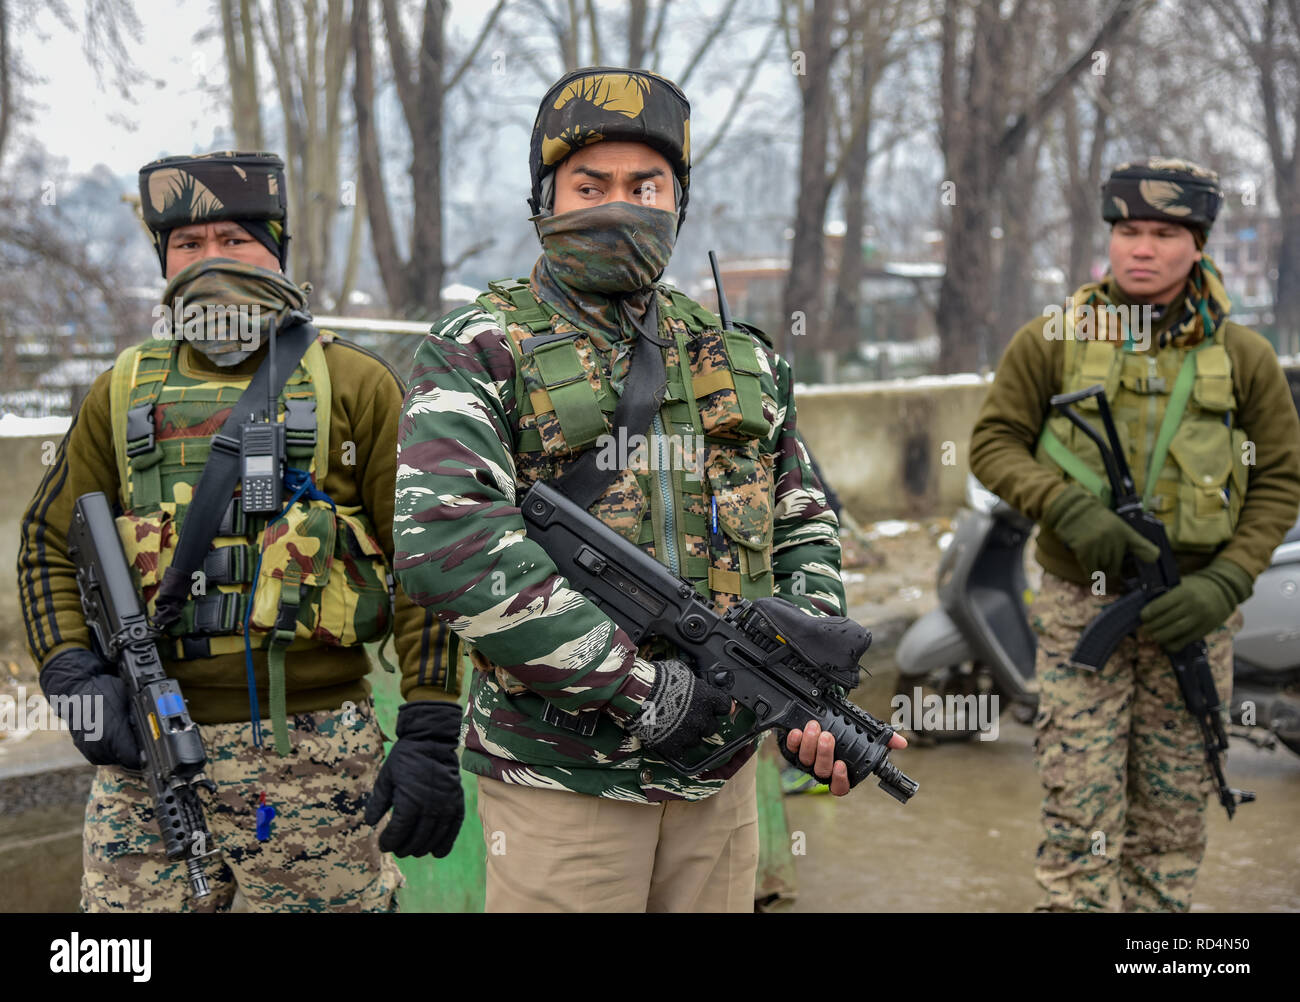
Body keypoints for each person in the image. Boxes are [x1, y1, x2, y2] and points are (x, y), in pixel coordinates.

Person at [392, 65, 903, 913]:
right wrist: (640, 689)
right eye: (590, 184)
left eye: (645, 185)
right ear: (544, 197)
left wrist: (805, 679)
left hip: (719, 787)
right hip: (563, 786)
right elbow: (447, 543)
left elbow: (800, 516)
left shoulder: (735, 354)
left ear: (679, 200)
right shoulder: (482, 344)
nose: (619, 205)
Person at [17, 150, 461, 912]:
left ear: (277, 250)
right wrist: (73, 680)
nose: (210, 260)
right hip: (144, 762)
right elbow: (49, 547)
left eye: (234, 239)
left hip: (314, 759)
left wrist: (428, 726)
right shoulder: (121, 389)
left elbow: (431, 558)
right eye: (188, 245)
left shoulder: (354, 383)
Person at [969, 157, 1300, 912]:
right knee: (1077, 815)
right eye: (1127, 231)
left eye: (1162, 233)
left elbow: (1281, 479)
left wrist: (1226, 581)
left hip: (1194, 614)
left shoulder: (1243, 359)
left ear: (1199, 245)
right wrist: (1064, 506)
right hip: (1081, 611)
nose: (1140, 248)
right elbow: (992, 443)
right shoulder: (1052, 341)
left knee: (1171, 825)